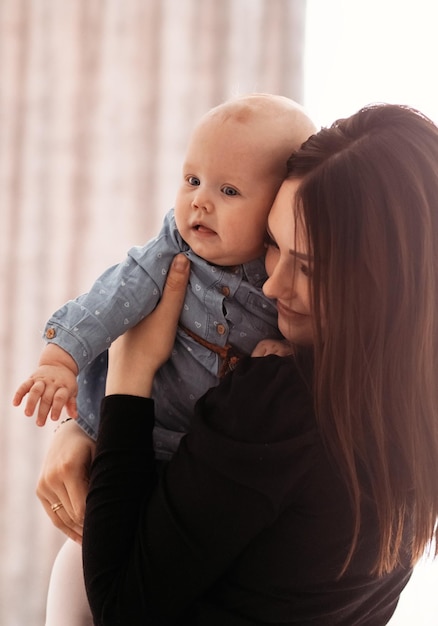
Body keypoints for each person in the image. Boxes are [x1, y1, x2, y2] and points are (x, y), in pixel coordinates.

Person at [82, 103, 438, 624]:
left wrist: (129, 376)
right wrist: (80, 428)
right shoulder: (413, 408)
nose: (272, 286)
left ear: (390, 281)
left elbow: (117, 605)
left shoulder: (278, 405)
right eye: (273, 244)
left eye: (311, 267)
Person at [14, 93, 316, 625]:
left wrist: (279, 355)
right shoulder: (174, 249)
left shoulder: (281, 297)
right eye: (192, 180)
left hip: (182, 464)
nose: (199, 202)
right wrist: (59, 360)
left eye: (228, 191)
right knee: (77, 568)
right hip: (133, 437)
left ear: (272, 208)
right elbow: (112, 297)